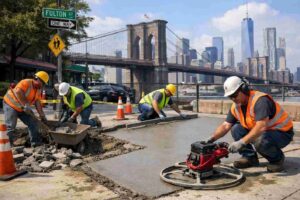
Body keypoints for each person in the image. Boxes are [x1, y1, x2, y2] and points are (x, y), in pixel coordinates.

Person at [207, 76, 294, 172]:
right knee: (236, 129)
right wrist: (211, 139)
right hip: (265, 132)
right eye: (230, 96)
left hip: (282, 133)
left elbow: (261, 127)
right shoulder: (235, 106)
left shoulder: (260, 100)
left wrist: (241, 142)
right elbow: (225, 125)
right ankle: (250, 158)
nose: (233, 99)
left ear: (244, 89)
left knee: (260, 140)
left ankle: (277, 160)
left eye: (235, 95)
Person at [3, 71, 49, 147]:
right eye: (42, 83)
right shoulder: (26, 82)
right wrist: (26, 104)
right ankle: (7, 146)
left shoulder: (38, 89)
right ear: (37, 79)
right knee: (10, 126)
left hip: (22, 108)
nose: (43, 86)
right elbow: (18, 91)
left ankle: (35, 143)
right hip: (10, 105)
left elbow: (37, 102)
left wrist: (42, 115)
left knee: (33, 122)